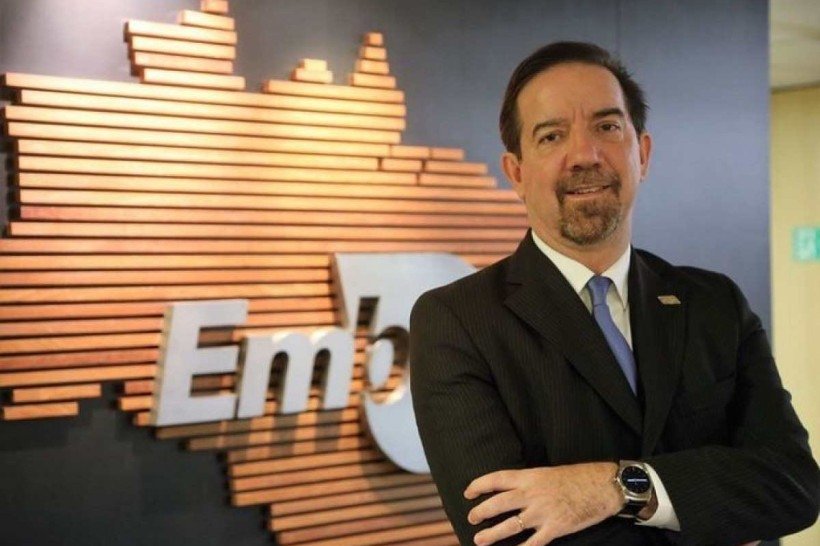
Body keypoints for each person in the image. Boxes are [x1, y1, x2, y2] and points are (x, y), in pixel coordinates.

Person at [409, 41, 819, 546]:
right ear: (516, 173)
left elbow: (794, 484)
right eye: (552, 136)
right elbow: (505, 533)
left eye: (607, 127)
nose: (585, 155)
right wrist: (711, 513)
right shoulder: (458, 321)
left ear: (641, 154)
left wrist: (611, 487)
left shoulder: (715, 304)